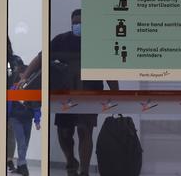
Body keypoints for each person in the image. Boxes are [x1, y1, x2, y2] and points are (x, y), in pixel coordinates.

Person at [20, 9, 118, 176]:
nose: (77, 26)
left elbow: (106, 68)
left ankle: (84, 171)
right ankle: (71, 161)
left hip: (90, 93)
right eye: (75, 23)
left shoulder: (96, 42)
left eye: (81, 23)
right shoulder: (62, 40)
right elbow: (41, 58)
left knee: (84, 129)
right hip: (65, 94)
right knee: (64, 132)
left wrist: (116, 93)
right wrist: (25, 77)